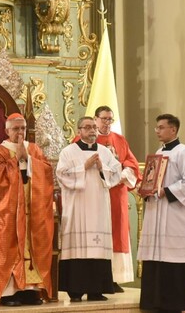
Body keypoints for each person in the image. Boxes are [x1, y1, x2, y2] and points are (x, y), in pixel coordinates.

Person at [137, 113, 185, 313]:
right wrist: (145, 188)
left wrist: (167, 191)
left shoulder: (184, 152)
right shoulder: (159, 152)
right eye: (157, 127)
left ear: (173, 130)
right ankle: (154, 300)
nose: (157, 130)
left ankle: (172, 303)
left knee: (172, 260)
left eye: (161, 127)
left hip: (174, 214)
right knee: (156, 258)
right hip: (157, 211)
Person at [0, 113, 54, 306]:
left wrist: (29, 160)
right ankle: (9, 292)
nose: (20, 132)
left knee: (33, 244)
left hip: (33, 210)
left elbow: (48, 171)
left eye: (23, 128)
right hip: (9, 212)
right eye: (16, 129)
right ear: (7, 130)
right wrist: (15, 160)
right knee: (10, 247)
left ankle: (29, 291)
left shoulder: (33, 149)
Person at [56, 116, 122, 302]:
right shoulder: (68, 152)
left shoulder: (105, 152)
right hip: (77, 206)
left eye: (94, 127)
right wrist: (83, 167)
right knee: (78, 247)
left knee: (98, 249)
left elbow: (117, 172)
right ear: (79, 131)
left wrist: (102, 168)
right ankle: (75, 291)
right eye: (87, 127)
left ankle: (96, 290)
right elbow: (61, 175)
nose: (92, 131)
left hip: (99, 205)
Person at [92, 106, 141, 292]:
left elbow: (132, 164)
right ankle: (97, 277)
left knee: (117, 232)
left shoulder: (119, 140)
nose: (107, 123)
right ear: (95, 119)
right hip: (96, 193)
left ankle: (114, 278)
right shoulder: (85, 140)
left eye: (110, 119)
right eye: (103, 118)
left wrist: (121, 173)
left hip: (116, 194)